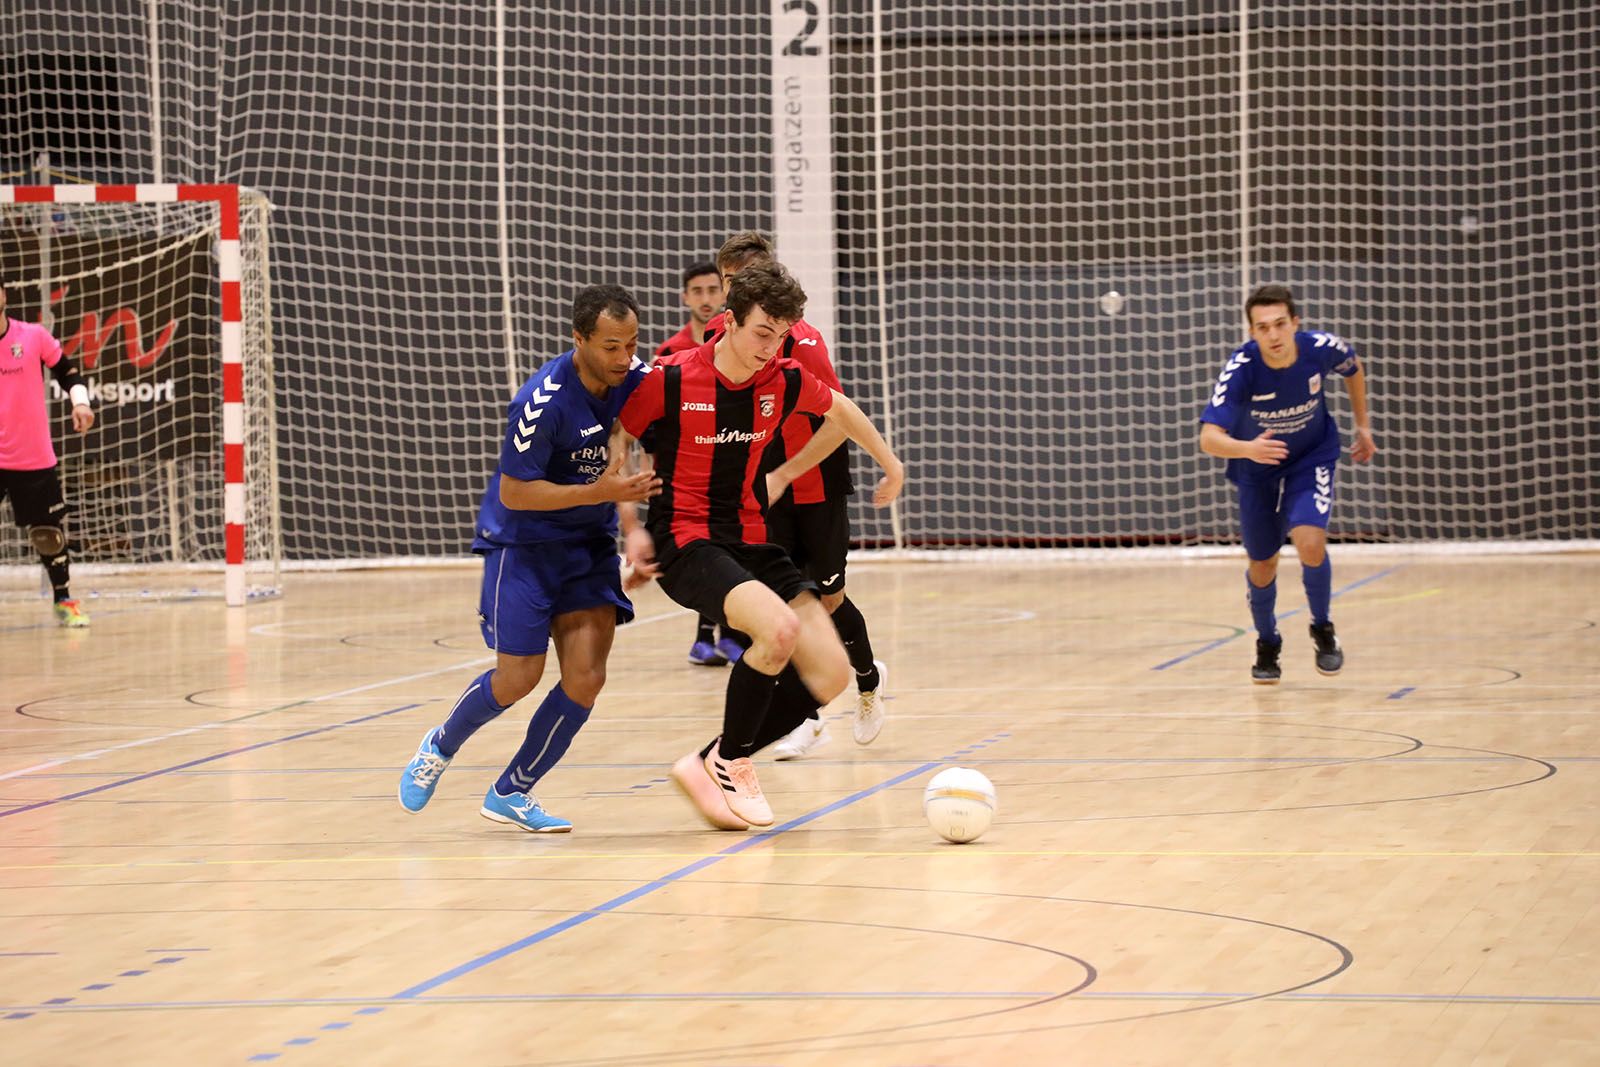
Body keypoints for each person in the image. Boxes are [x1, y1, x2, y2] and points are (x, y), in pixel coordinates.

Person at [620, 262, 904, 831]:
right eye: (761, 333)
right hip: (686, 540)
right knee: (778, 631)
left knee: (831, 674)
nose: (770, 348)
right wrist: (631, 525)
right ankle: (731, 761)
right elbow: (618, 435)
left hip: (752, 538)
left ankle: (709, 760)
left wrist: (891, 465)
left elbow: (840, 410)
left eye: (780, 336)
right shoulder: (669, 378)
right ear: (729, 321)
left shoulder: (782, 378)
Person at [398, 285, 660, 831]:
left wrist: (632, 526)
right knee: (518, 677)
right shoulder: (540, 402)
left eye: (632, 343)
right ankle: (440, 745)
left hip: (588, 545)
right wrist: (599, 493)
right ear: (579, 339)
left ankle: (512, 791)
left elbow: (631, 444)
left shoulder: (636, 378)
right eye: (611, 346)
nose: (624, 357)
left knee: (586, 679)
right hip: (524, 544)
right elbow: (516, 492)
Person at [701, 232, 890, 758]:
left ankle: (868, 681)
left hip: (814, 480)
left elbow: (838, 419)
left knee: (828, 597)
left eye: (744, 279)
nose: (733, 290)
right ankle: (806, 716)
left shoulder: (802, 342)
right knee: (778, 601)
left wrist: (786, 472)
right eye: (728, 282)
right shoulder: (718, 337)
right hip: (762, 487)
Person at [1199, 283, 1376, 683]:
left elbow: (1354, 368)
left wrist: (1363, 426)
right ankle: (1267, 641)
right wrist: (1248, 449)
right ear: (1252, 333)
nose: (1274, 335)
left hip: (1311, 455)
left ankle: (1322, 628)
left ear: (1295, 323)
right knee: (1263, 564)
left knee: (1309, 540)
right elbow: (1208, 439)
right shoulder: (1242, 369)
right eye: (1263, 328)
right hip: (1256, 465)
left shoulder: (1321, 348)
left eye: (1280, 324)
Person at [652, 260, 744, 667]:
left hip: (729, 460)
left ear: (724, 294)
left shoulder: (736, 345)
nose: (706, 299)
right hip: (684, 468)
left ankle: (727, 636)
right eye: (698, 291)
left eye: (713, 290)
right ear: (685, 297)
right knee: (700, 547)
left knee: (731, 544)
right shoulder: (669, 353)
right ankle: (707, 637)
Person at [0, 282, 94, 627]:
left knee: (48, 535)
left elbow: (68, 371)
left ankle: (63, 600)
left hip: (31, 455)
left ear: (3, 295)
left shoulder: (33, 336)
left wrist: (80, 402)